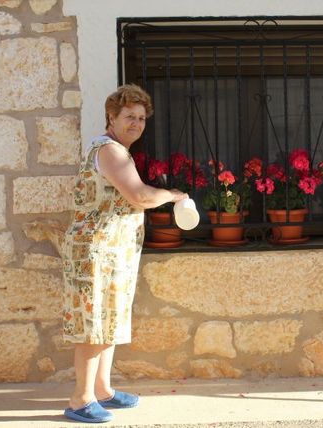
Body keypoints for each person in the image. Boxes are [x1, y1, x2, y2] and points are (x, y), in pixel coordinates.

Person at [61, 84, 187, 423]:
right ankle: (80, 399)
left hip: (111, 252)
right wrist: (172, 195)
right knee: (94, 324)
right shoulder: (111, 151)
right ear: (111, 117)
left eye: (142, 118)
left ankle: (102, 390)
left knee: (108, 320)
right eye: (129, 116)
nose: (136, 123)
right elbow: (139, 196)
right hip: (96, 253)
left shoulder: (114, 150)